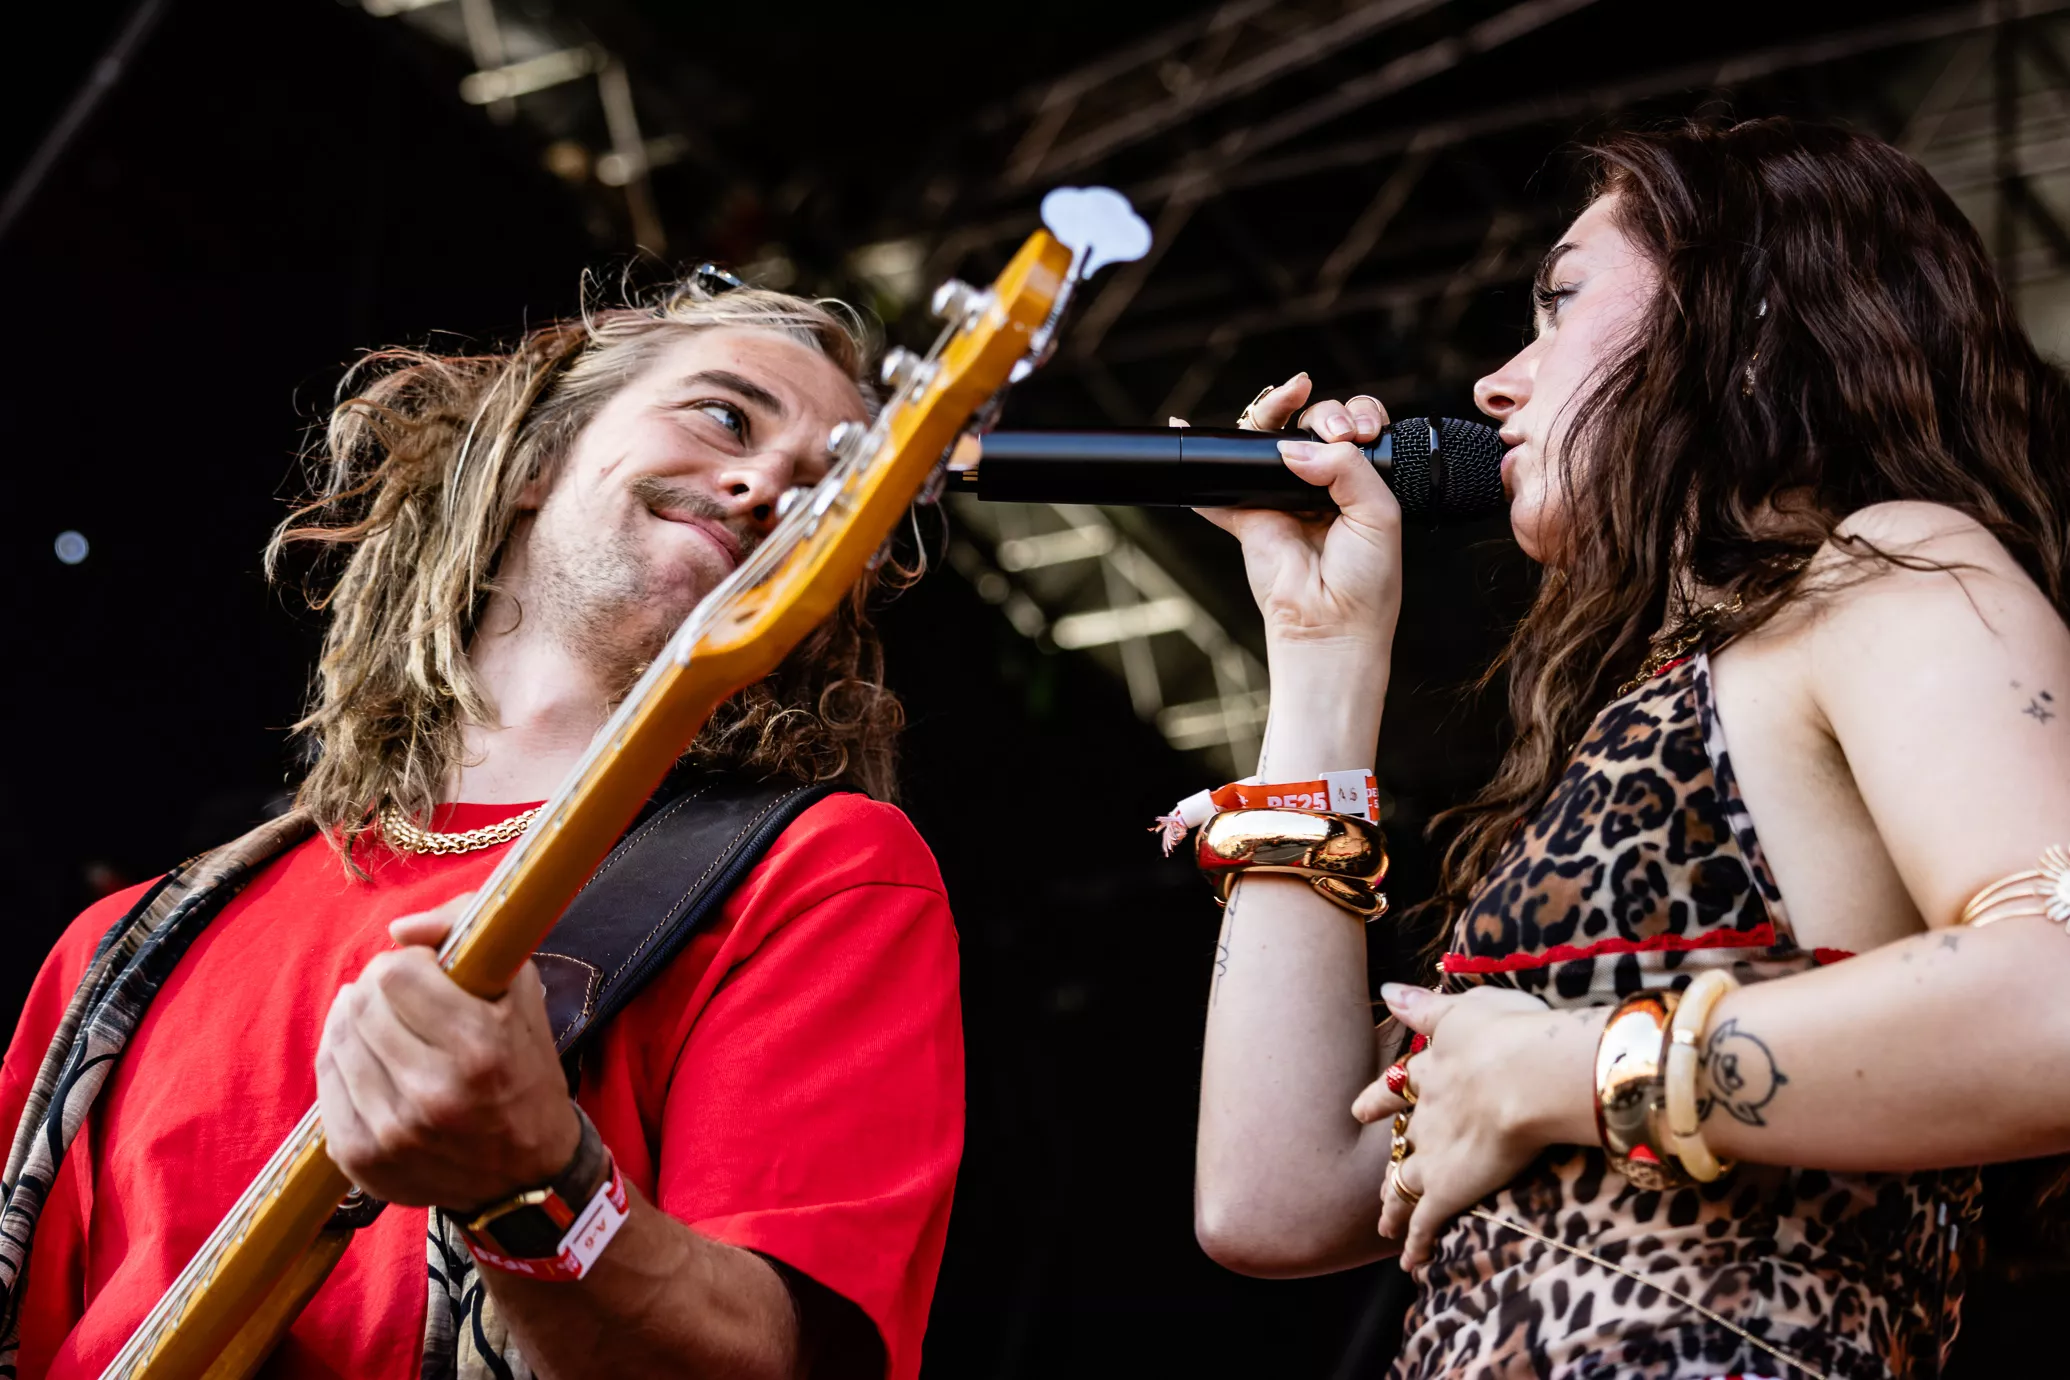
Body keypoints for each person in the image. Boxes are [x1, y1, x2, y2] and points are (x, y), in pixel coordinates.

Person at [1187, 117, 2070, 1380]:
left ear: (1749, 320)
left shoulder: (1894, 571)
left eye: (1560, 303)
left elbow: (2055, 997)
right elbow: (1278, 1197)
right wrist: (1321, 653)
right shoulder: (1648, 712)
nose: (1496, 384)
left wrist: (1574, 1066)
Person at [0, 279, 964, 1380]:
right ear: (535, 458)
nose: (764, 486)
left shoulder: (824, 874)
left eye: (828, 492)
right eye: (725, 416)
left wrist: (536, 1185)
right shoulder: (128, 943)